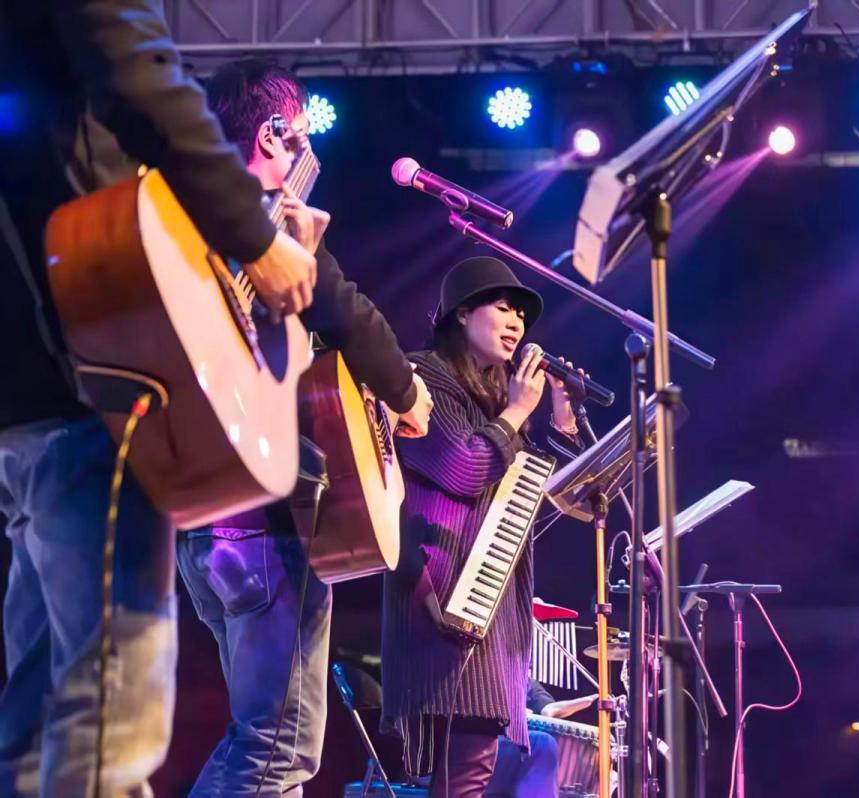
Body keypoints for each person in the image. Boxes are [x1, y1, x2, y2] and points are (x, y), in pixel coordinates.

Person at [0, 4, 317, 796]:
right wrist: (256, 237)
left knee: (36, 717)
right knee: (109, 714)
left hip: (30, 386)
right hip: (97, 366)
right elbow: (138, 74)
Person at [174, 59, 433, 797]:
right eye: (301, 137)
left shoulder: (182, 224)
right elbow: (345, 310)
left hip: (204, 529)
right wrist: (407, 392)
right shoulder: (263, 226)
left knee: (257, 740)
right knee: (279, 750)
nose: (307, 154)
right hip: (265, 525)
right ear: (271, 134)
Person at [380, 256, 583, 798]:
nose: (517, 321)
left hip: (491, 608)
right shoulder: (423, 376)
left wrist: (561, 424)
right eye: (503, 307)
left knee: (473, 770)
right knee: (467, 772)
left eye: (522, 314)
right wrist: (517, 412)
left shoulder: (497, 398)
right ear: (463, 313)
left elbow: (537, 499)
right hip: (443, 599)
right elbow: (464, 468)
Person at [484, 681, 598, 798]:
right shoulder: (485, 673)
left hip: (511, 748)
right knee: (541, 742)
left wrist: (582, 702)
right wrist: (512, 711)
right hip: (484, 742)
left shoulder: (523, 680)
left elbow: (549, 709)